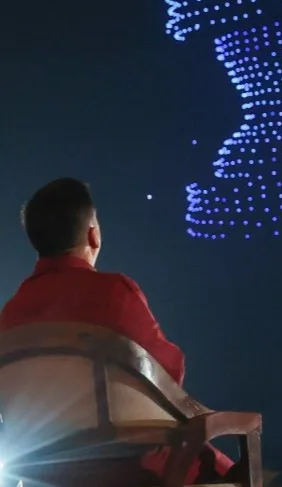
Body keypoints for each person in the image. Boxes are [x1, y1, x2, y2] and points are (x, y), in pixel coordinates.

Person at [0, 178, 237, 485]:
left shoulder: (10, 316)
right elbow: (167, 376)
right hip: (134, 470)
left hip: (47, 475)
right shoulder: (114, 293)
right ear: (93, 234)